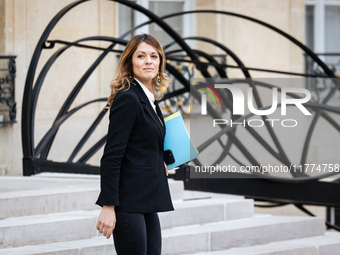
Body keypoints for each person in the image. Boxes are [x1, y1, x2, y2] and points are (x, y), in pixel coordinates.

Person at [95, 33, 174, 255]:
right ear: (130, 63)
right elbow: (112, 156)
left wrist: (161, 161)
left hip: (147, 200)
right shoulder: (128, 98)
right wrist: (108, 206)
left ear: (160, 63)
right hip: (128, 203)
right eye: (141, 56)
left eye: (153, 56)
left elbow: (141, 145)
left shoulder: (149, 99)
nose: (148, 61)